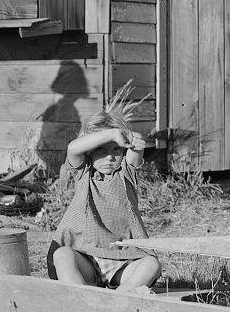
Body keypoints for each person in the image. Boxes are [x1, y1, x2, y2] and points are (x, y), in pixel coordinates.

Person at [46, 87, 162, 292]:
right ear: (89, 152)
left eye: (116, 150)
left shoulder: (126, 172)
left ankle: (118, 299)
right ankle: (82, 300)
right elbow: (73, 148)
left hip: (123, 261)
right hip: (86, 259)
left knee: (152, 264)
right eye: (101, 150)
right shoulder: (85, 172)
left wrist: (124, 136)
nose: (109, 157)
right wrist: (111, 134)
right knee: (62, 255)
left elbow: (137, 144)